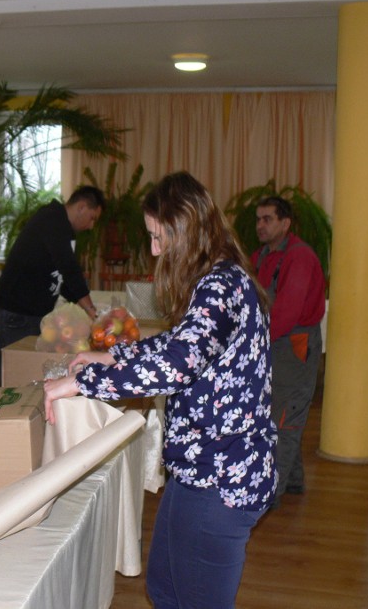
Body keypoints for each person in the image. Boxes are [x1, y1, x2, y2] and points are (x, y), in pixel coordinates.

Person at [43, 172, 277, 609]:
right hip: (199, 469)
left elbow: (176, 364)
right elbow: (178, 343)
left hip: (221, 475)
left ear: (185, 231)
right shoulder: (215, 280)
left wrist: (82, 382)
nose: (153, 250)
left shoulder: (221, 286)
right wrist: (114, 357)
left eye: (158, 237)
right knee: (165, 589)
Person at [252, 196, 326, 507]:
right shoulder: (260, 257)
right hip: (272, 340)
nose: (260, 225)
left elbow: (286, 312)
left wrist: (253, 342)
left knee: (284, 417)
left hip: (295, 344)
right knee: (280, 409)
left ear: (286, 223)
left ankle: (272, 493)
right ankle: (293, 480)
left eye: (268, 219)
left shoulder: (300, 258)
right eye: (258, 219)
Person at [0, 185, 105, 351]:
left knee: (30, 372)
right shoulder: (52, 220)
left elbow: (61, 277)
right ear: (81, 207)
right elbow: (69, 268)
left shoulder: (64, 228)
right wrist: (90, 309)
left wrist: (82, 307)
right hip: (15, 315)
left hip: (31, 315)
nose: (91, 225)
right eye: (92, 218)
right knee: (17, 371)